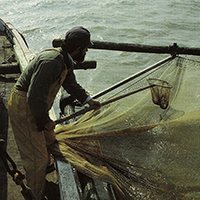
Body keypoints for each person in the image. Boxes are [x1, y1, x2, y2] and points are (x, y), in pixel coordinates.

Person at [8, 26, 101, 200]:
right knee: (38, 159)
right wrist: (44, 121)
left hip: (35, 105)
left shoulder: (65, 60)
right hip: (24, 108)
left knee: (50, 140)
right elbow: (34, 97)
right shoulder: (51, 62)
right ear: (78, 49)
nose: (87, 51)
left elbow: (70, 84)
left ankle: (43, 177)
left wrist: (88, 100)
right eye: (86, 48)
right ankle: (36, 194)